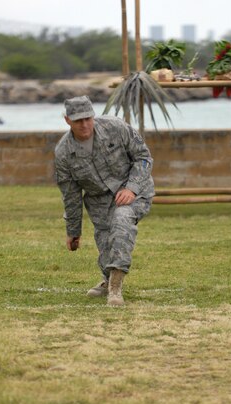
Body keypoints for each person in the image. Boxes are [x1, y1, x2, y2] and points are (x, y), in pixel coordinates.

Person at [54, 96, 155, 306]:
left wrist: (131, 188)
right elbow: (71, 195)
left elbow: (144, 157)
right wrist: (73, 231)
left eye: (88, 118)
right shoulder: (64, 153)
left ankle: (115, 289)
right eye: (78, 120)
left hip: (135, 191)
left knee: (122, 221)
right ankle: (108, 279)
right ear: (67, 121)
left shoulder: (115, 127)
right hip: (99, 201)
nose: (84, 125)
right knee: (105, 243)